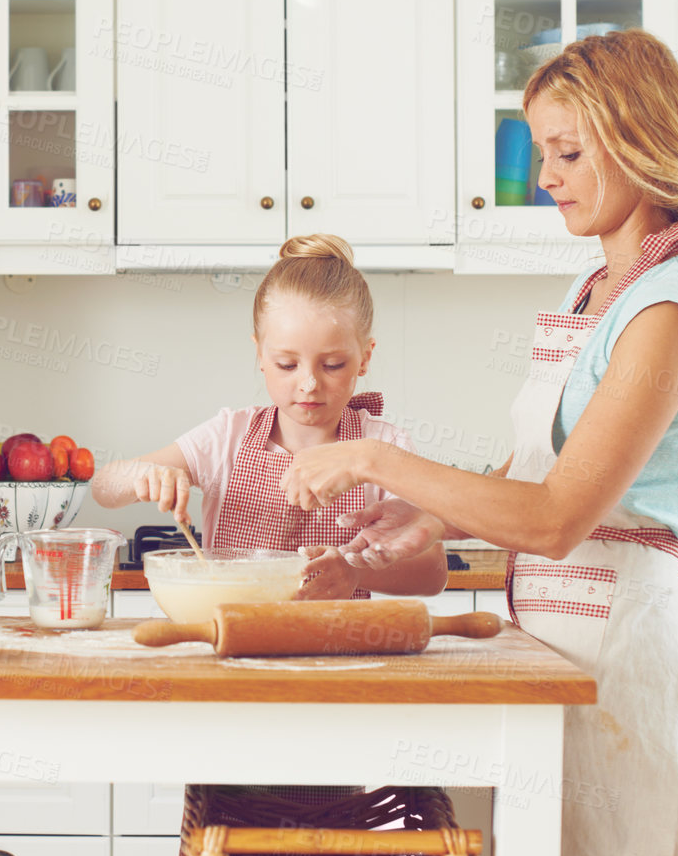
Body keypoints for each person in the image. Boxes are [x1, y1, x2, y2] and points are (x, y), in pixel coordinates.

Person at [278, 28, 678, 856]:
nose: (546, 174)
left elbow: (553, 517)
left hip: (619, 656)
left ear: (639, 137)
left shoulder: (665, 309)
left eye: (567, 151)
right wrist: (422, 519)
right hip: (554, 644)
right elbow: (528, 472)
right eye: (544, 151)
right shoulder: (600, 290)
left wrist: (373, 456)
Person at [91, 233, 446, 599]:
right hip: (236, 644)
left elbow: (432, 574)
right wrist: (146, 477)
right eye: (287, 364)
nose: (309, 384)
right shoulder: (227, 438)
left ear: (365, 358)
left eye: (333, 364)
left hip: (341, 652)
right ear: (260, 354)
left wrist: (355, 571)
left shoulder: (385, 448)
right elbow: (104, 487)